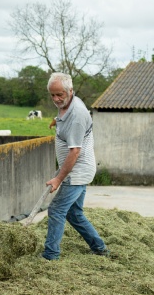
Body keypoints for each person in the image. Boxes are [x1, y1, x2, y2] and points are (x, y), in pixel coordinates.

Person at [42, 72, 109, 260]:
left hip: (77, 171)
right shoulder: (68, 104)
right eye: (52, 95)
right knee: (74, 213)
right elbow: (65, 116)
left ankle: (50, 255)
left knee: (56, 210)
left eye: (59, 95)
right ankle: (99, 248)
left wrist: (58, 179)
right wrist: (57, 120)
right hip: (78, 169)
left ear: (70, 91)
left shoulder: (77, 115)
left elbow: (74, 152)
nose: (55, 99)